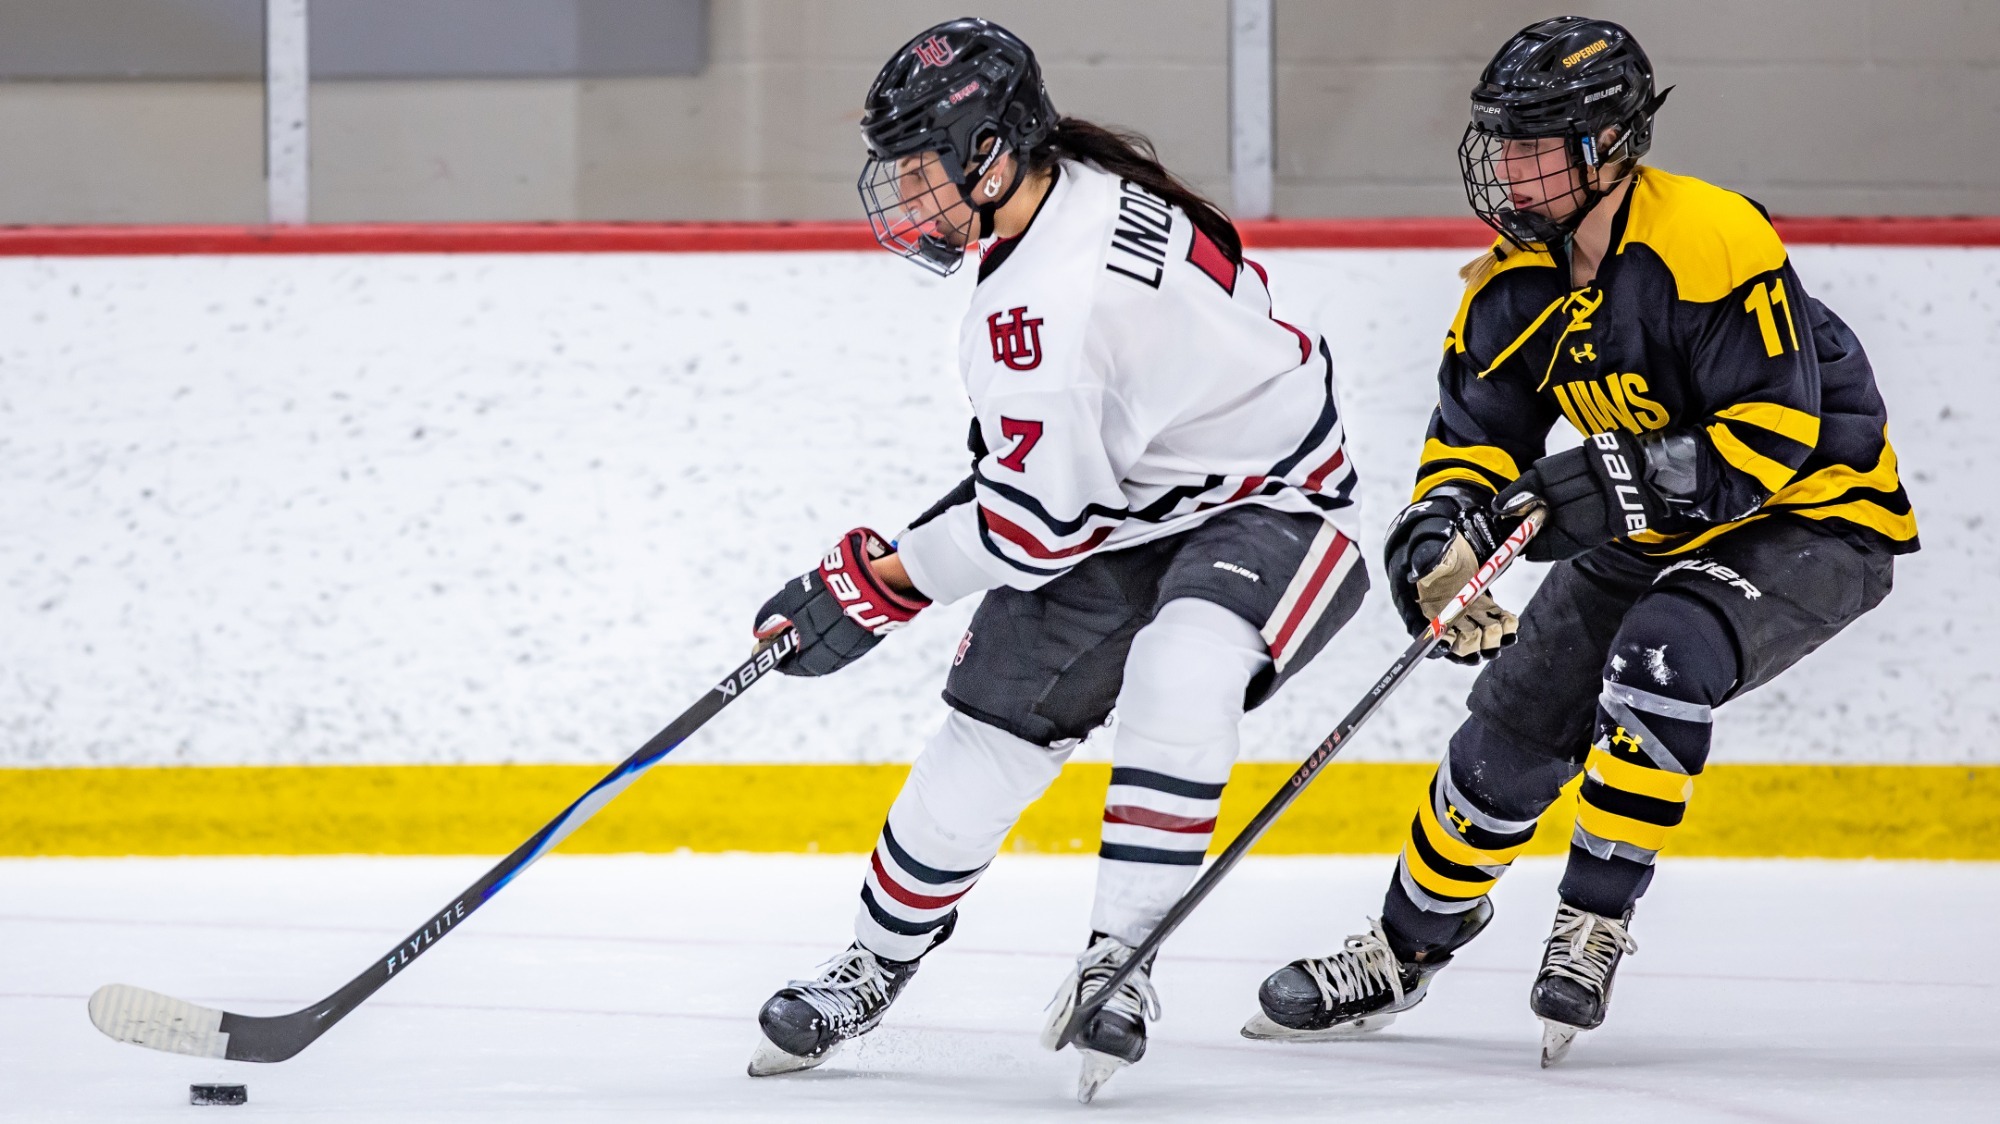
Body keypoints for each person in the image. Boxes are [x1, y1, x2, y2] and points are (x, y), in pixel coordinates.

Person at [1243, 15, 1917, 1067]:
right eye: (1498, 140)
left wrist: (1601, 482)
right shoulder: (1510, 282)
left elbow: (1773, 437)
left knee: (1660, 654)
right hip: (1654, 522)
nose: (1503, 165)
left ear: (1606, 145)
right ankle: (1400, 945)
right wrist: (1435, 541)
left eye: (1531, 141)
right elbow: (1471, 441)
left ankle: (1591, 917)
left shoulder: (1709, 239)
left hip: (1812, 516)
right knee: (1507, 730)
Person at [741, 17, 1367, 1103]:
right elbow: (1046, 486)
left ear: (990, 151)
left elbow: (1032, 527)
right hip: (1124, 501)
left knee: (1184, 666)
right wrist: (895, 565)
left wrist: (883, 581)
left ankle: (1117, 961)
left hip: (1273, 500)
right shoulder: (1065, 181)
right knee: (985, 733)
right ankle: (874, 962)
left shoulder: (1044, 305)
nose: (905, 201)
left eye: (920, 172)